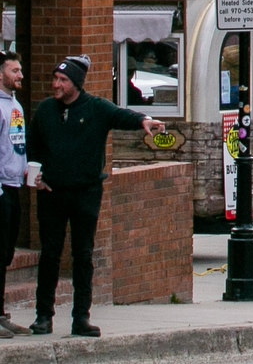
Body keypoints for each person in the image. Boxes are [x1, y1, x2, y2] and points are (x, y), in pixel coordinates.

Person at [26, 56, 165, 337]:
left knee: (83, 255)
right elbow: (33, 147)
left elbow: (121, 115)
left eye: (62, 80)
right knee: (49, 254)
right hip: (52, 193)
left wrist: (144, 121)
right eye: (55, 79)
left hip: (86, 192)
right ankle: (43, 316)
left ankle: (81, 317)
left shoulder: (95, 108)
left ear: (76, 84)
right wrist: (35, 176)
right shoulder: (45, 111)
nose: (56, 84)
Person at [0, 52, 24, 336]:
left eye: (20, 70)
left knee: (6, 254)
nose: (19, 75)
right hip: (2, 187)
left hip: (14, 184)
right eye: (14, 71)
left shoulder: (14, 104)